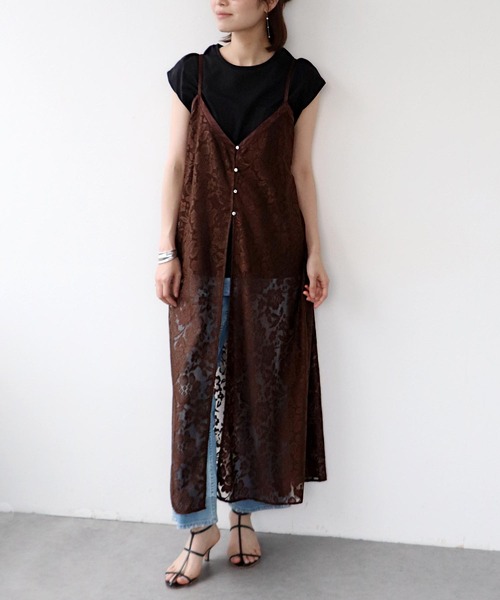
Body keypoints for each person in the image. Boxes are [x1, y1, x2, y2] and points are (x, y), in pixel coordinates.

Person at [156, 0, 330, 588]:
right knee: (194, 392)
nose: (220, 0)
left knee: (257, 388)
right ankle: (197, 526)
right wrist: (165, 250)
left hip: (271, 260)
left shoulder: (298, 80)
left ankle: (242, 518)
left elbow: (301, 172)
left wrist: (315, 252)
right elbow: (175, 164)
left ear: (270, 1)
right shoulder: (193, 74)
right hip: (200, 258)